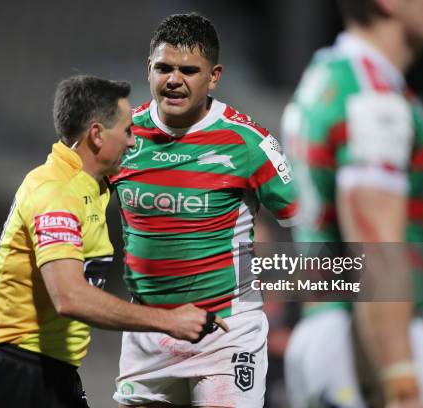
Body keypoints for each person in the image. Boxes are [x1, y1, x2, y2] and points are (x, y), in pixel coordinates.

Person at [0, 74, 227, 408]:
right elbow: (70, 297)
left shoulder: (87, 186)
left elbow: (20, 242)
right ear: (96, 134)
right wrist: (170, 321)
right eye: (126, 131)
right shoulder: (59, 192)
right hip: (16, 381)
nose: (133, 142)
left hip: (50, 374)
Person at [109, 13, 298, 408]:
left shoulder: (250, 143)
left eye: (188, 70)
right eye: (163, 68)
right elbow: (54, 208)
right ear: (149, 70)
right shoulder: (121, 136)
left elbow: (304, 219)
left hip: (226, 335)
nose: (174, 80)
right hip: (147, 334)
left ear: (213, 76)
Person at [281, 0, 423, 407]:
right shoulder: (372, 96)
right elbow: (377, 251)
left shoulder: (329, 74)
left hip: (328, 331)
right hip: (366, 347)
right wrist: (403, 381)